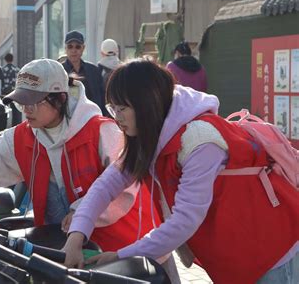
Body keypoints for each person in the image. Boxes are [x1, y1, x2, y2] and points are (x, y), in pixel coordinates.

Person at [63, 59, 299, 284]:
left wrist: (121, 255)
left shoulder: (199, 140)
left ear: (147, 104)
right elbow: (106, 185)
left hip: (272, 248)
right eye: (112, 108)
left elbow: (185, 219)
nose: (117, 118)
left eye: (122, 108)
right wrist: (76, 236)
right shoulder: (150, 137)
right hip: (238, 248)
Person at [0, 58, 156, 252]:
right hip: (58, 247)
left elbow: (127, 187)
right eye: (22, 103)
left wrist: (83, 213)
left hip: (118, 247)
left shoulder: (101, 131)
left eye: (33, 102)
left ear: (60, 98)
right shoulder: (21, 137)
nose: (27, 110)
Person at [62, 30, 106, 115]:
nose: (74, 50)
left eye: (77, 47)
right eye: (70, 47)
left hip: (92, 117)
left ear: (83, 48)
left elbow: (102, 98)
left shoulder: (94, 70)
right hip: (68, 119)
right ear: (65, 49)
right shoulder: (60, 71)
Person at [1, 53, 21, 125]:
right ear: (12, 59)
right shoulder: (17, 69)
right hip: (15, 91)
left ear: (5, 60)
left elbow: (1, 81)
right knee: (16, 109)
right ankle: (16, 125)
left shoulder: (3, 70)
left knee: (4, 108)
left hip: (5, 92)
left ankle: (4, 124)